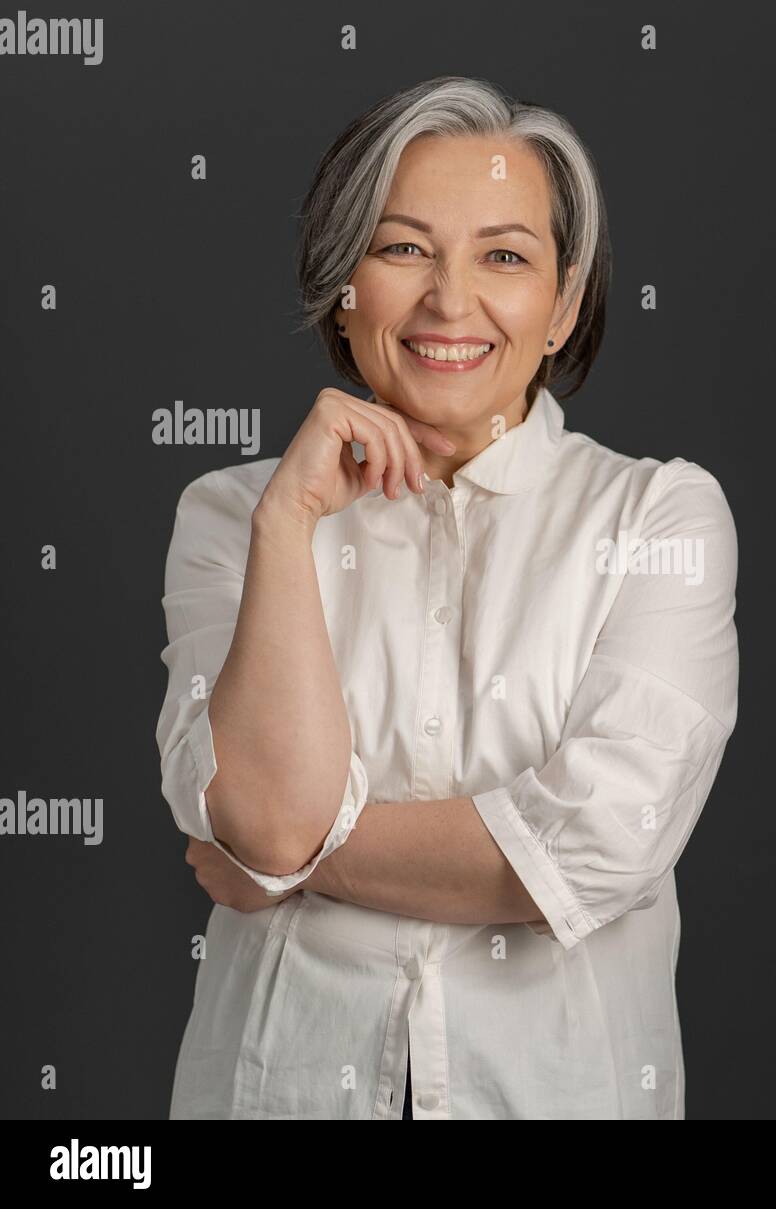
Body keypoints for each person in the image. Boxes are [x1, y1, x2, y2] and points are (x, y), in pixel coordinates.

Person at [155, 75, 740, 1119]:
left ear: (562, 306)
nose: (449, 301)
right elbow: (257, 815)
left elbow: (591, 846)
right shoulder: (233, 516)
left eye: (504, 256)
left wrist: (291, 862)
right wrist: (290, 527)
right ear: (344, 283)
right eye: (402, 248)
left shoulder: (659, 519)